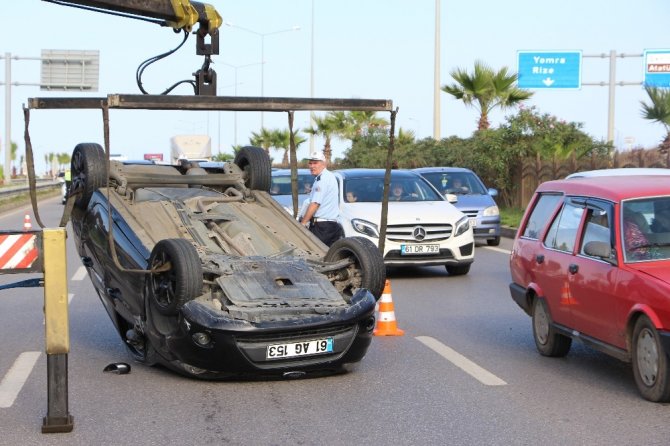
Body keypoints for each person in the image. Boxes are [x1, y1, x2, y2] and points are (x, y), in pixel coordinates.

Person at [300, 151, 343, 246]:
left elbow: (315, 203)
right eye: (310, 163)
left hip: (322, 227)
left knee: (316, 255)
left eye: (315, 163)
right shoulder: (329, 176)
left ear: (323, 164)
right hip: (331, 225)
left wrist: (303, 223)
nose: (312, 166)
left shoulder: (322, 180)